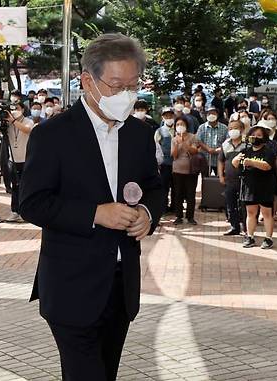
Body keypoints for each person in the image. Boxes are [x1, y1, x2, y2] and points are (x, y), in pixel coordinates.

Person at [18, 33, 164, 381]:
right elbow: (32, 203)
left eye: (133, 85)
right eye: (115, 85)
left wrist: (147, 214)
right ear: (87, 80)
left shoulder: (139, 134)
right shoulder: (53, 135)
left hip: (120, 286)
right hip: (70, 285)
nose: (125, 95)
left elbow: (155, 188)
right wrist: (96, 214)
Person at [232, 124, 276, 249]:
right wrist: (235, 160)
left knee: (266, 213)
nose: (255, 137)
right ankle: (250, 236)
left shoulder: (268, 151)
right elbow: (235, 164)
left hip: (265, 186)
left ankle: (268, 238)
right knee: (250, 213)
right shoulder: (246, 150)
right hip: (249, 186)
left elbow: (267, 166)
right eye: (253, 135)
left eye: (259, 135)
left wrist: (252, 162)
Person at [3, 101, 35, 222]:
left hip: (26, 159)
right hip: (13, 160)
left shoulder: (28, 121)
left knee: (25, 187)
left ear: (22, 109)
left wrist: (13, 121)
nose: (14, 110)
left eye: (17, 108)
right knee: (15, 187)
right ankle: (14, 211)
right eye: (13, 108)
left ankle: (25, 211)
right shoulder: (8, 122)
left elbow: (27, 130)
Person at [218, 120, 247, 236]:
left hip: (244, 180)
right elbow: (221, 161)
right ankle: (234, 227)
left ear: (242, 130)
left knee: (244, 206)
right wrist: (221, 176)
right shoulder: (225, 144)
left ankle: (246, 229)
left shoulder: (247, 144)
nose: (232, 130)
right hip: (229, 180)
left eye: (235, 128)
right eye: (230, 128)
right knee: (230, 205)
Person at [171, 116, 200, 226]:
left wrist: (185, 143)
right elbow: (174, 155)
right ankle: (178, 216)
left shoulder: (193, 137)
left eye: (182, 124)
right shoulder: (174, 139)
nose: (180, 127)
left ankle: (190, 216)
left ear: (186, 126)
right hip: (177, 170)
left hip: (191, 170)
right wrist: (178, 144)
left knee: (190, 194)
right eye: (178, 125)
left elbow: (194, 151)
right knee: (178, 193)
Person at [154, 107, 176, 212]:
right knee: (164, 186)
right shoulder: (159, 131)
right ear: (163, 117)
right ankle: (163, 207)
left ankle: (175, 207)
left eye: (170, 115)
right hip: (164, 164)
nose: (169, 117)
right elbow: (156, 147)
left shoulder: (179, 128)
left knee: (176, 187)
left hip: (177, 163)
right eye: (166, 116)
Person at [196, 106, 228, 176]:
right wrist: (208, 149)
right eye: (209, 114)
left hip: (219, 158)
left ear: (217, 115)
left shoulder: (224, 128)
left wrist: (219, 150)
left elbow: (227, 141)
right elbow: (198, 140)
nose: (211, 115)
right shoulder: (202, 127)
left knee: (220, 178)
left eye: (213, 113)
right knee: (205, 180)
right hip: (206, 159)